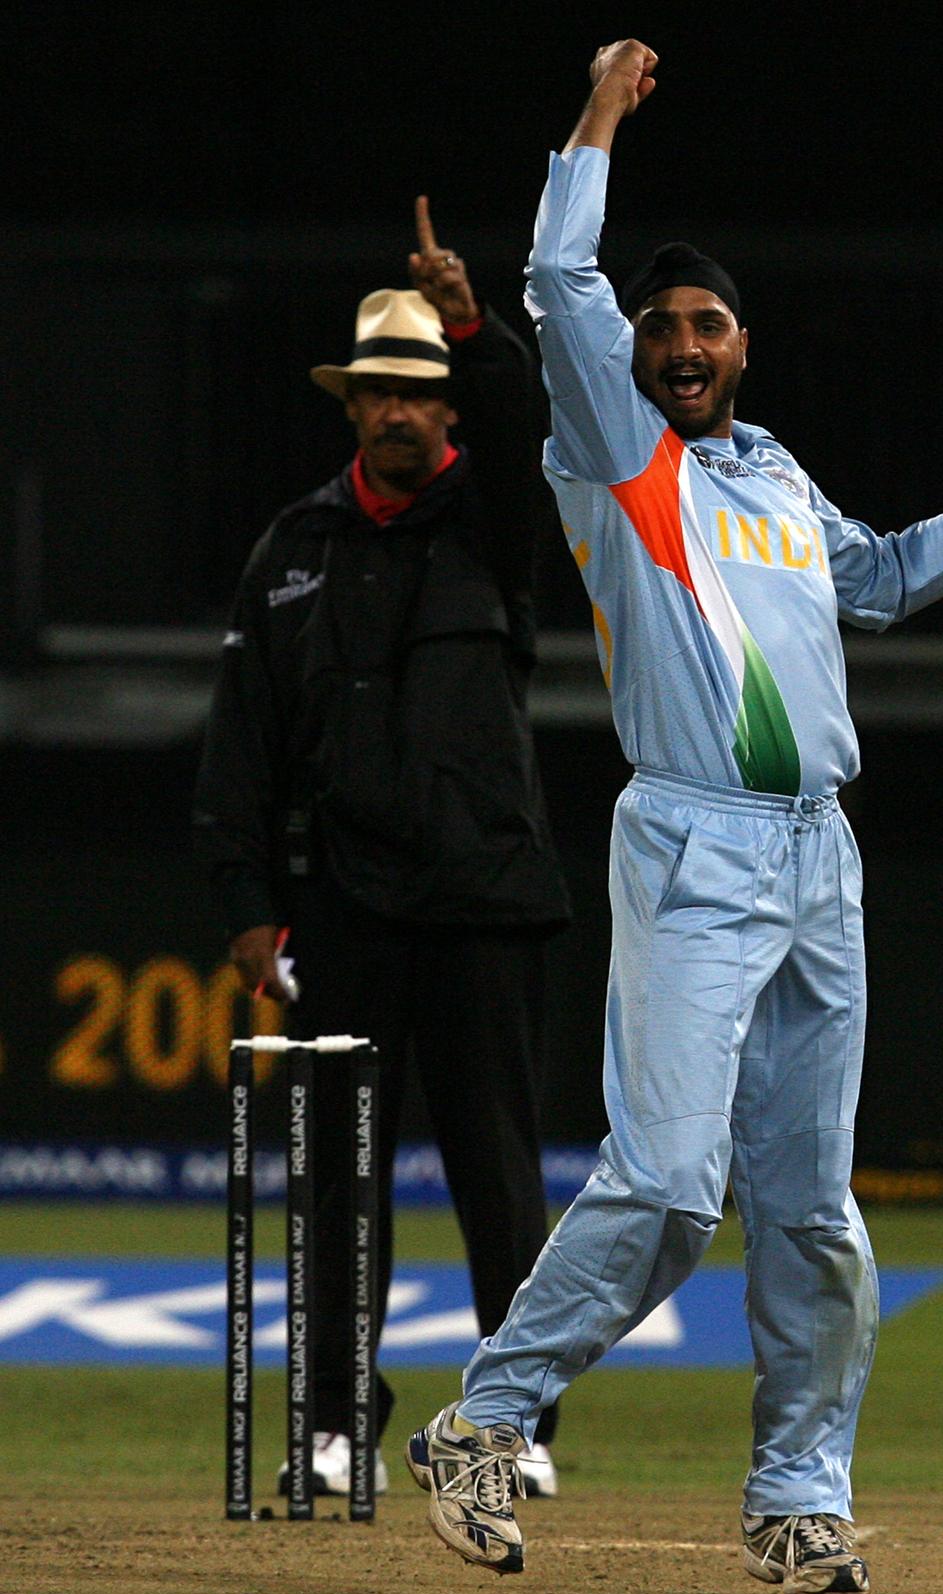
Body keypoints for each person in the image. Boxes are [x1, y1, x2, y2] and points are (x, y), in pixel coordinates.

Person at [407, 38, 943, 1594]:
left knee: (816, 1211)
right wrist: (597, 107)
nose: (684, 342)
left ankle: (798, 1491)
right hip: (696, 843)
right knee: (664, 1182)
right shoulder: (610, 451)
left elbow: (886, 580)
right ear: (632, 358)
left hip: (816, 853)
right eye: (662, 327)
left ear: (743, 345)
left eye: (709, 321)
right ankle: (486, 1417)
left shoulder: (774, 476)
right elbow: (554, 271)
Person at [194, 198, 570, 1500]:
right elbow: (240, 742)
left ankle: (511, 1426)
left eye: (423, 391)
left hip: (481, 903)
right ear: (351, 408)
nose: (402, 411)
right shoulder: (292, 553)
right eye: (380, 394)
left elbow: (530, 417)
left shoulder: (497, 522)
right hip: (342, 911)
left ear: (449, 406)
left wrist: (470, 315)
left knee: (501, 1185)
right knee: (339, 1187)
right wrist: (250, 903)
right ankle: (338, 1424)